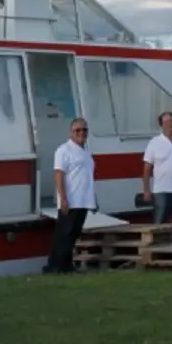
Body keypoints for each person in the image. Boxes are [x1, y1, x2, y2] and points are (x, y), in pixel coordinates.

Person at [44, 117, 97, 273]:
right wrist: (64, 198)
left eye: (84, 130)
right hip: (71, 200)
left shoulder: (86, 152)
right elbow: (58, 174)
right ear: (71, 132)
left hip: (84, 201)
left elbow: (88, 177)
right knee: (63, 236)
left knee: (73, 236)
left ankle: (67, 266)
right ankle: (54, 267)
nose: (81, 133)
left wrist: (93, 199)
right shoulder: (64, 150)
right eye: (78, 130)